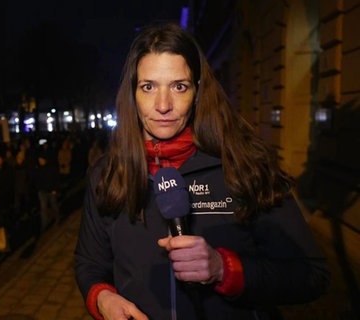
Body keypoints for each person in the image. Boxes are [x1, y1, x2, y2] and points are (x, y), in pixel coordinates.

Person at [74, 22, 329, 320]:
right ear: (133, 94)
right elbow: (89, 263)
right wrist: (102, 297)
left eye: (179, 86)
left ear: (197, 92)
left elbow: (311, 275)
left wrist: (224, 269)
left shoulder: (245, 165)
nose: (163, 105)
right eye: (149, 86)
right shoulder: (105, 175)